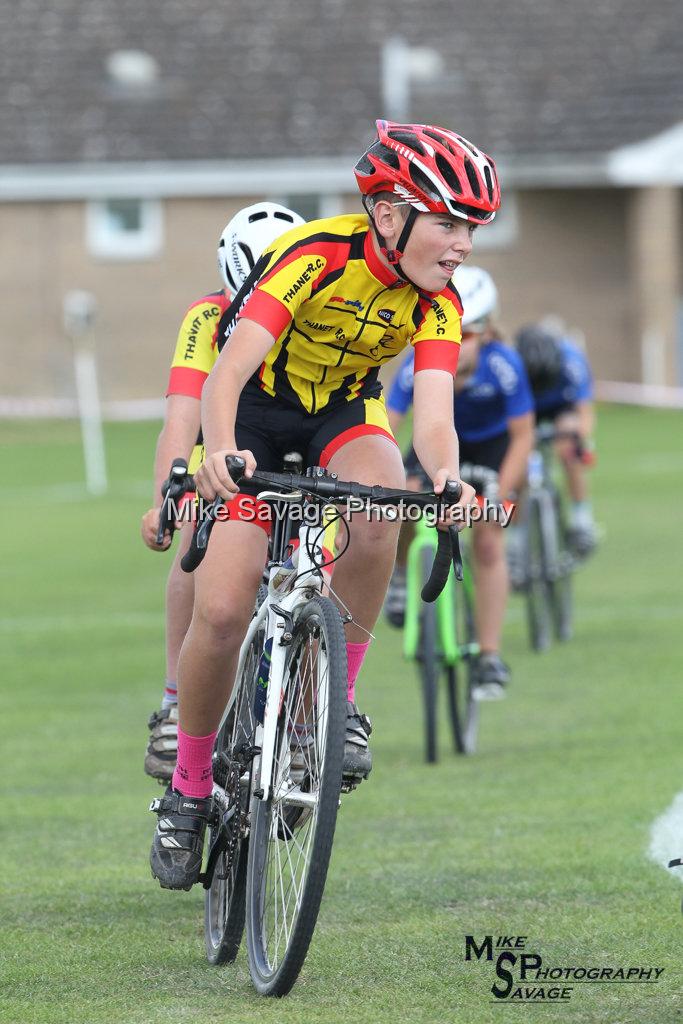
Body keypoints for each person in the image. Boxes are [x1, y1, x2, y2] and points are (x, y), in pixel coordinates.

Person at [148, 119, 500, 891]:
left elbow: (433, 418)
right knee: (222, 607)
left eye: (471, 228)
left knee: (387, 509)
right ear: (387, 212)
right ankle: (189, 785)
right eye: (448, 223)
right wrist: (216, 455)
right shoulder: (315, 256)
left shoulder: (436, 305)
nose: (462, 244)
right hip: (250, 417)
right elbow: (227, 370)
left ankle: (334, 707)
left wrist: (447, 479)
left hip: (343, 412)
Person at [140, 203, 305, 782]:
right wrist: (171, 490)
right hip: (231, 444)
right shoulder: (206, 317)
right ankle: (174, 700)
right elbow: (183, 418)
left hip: (301, 446)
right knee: (198, 526)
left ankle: (313, 714)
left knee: (327, 554)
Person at [384, 266, 534, 698]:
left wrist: (502, 494)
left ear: (486, 332)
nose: (455, 340)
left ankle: (488, 656)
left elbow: (523, 437)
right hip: (433, 444)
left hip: (492, 449)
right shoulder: (418, 364)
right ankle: (399, 575)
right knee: (403, 501)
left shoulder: (505, 366)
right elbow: (388, 426)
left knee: (488, 540)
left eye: (465, 333)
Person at [514, 322, 597, 556]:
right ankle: (516, 537)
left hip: (562, 406)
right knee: (517, 465)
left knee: (570, 447)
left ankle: (582, 519)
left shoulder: (572, 360)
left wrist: (581, 442)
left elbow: (584, 412)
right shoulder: (513, 363)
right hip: (527, 408)